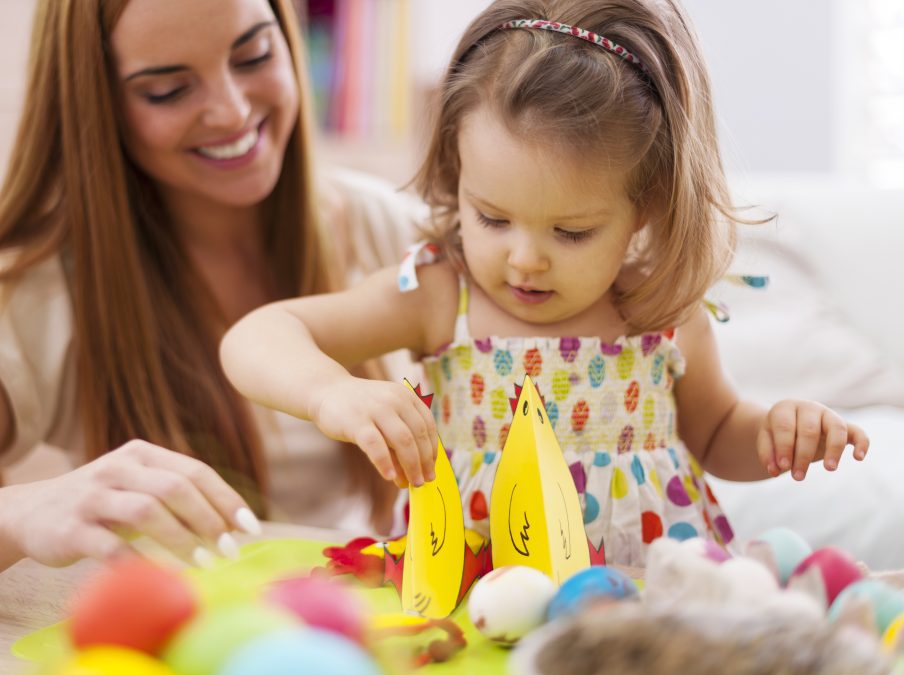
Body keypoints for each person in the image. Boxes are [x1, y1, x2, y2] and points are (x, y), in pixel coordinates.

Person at [0, 0, 422, 629]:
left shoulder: (386, 229)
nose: (233, 110)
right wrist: (23, 512)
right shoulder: (34, 300)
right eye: (167, 90)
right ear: (97, 104)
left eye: (253, 55)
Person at [221, 0, 871, 565]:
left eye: (571, 232)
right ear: (456, 170)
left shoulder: (660, 311)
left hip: (638, 607)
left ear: (643, 205)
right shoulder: (443, 293)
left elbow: (717, 430)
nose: (525, 259)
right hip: (472, 595)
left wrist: (777, 434)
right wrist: (330, 391)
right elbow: (258, 336)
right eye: (493, 217)